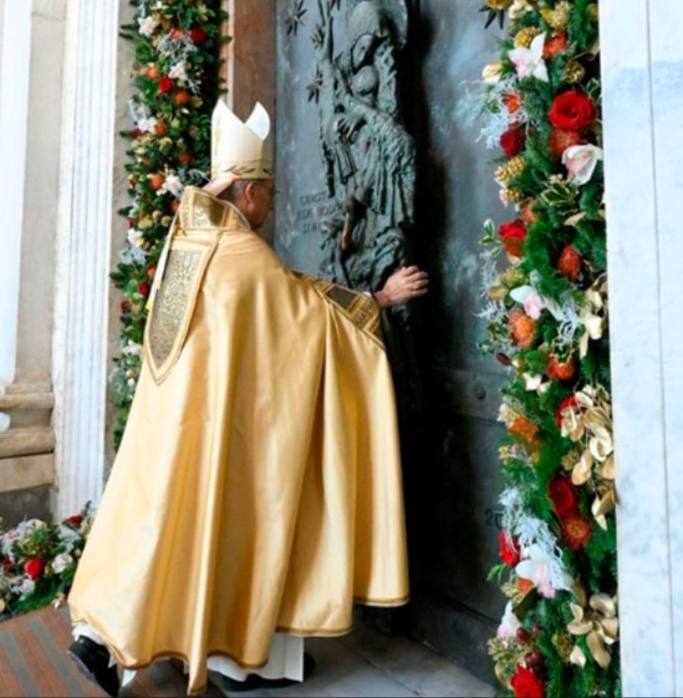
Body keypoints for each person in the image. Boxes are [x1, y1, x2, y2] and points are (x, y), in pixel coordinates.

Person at [68, 101, 428, 696]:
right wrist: (379, 301)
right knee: (236, 516)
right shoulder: (242, 252)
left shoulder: (190, 238)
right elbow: (307, 314)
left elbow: (285, 297)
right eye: (268, 190)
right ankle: (238, 657)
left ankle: (110, 640)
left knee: (163, 518)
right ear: (246, 189)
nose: (272, 201)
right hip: (217, 422)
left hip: (175, 417)